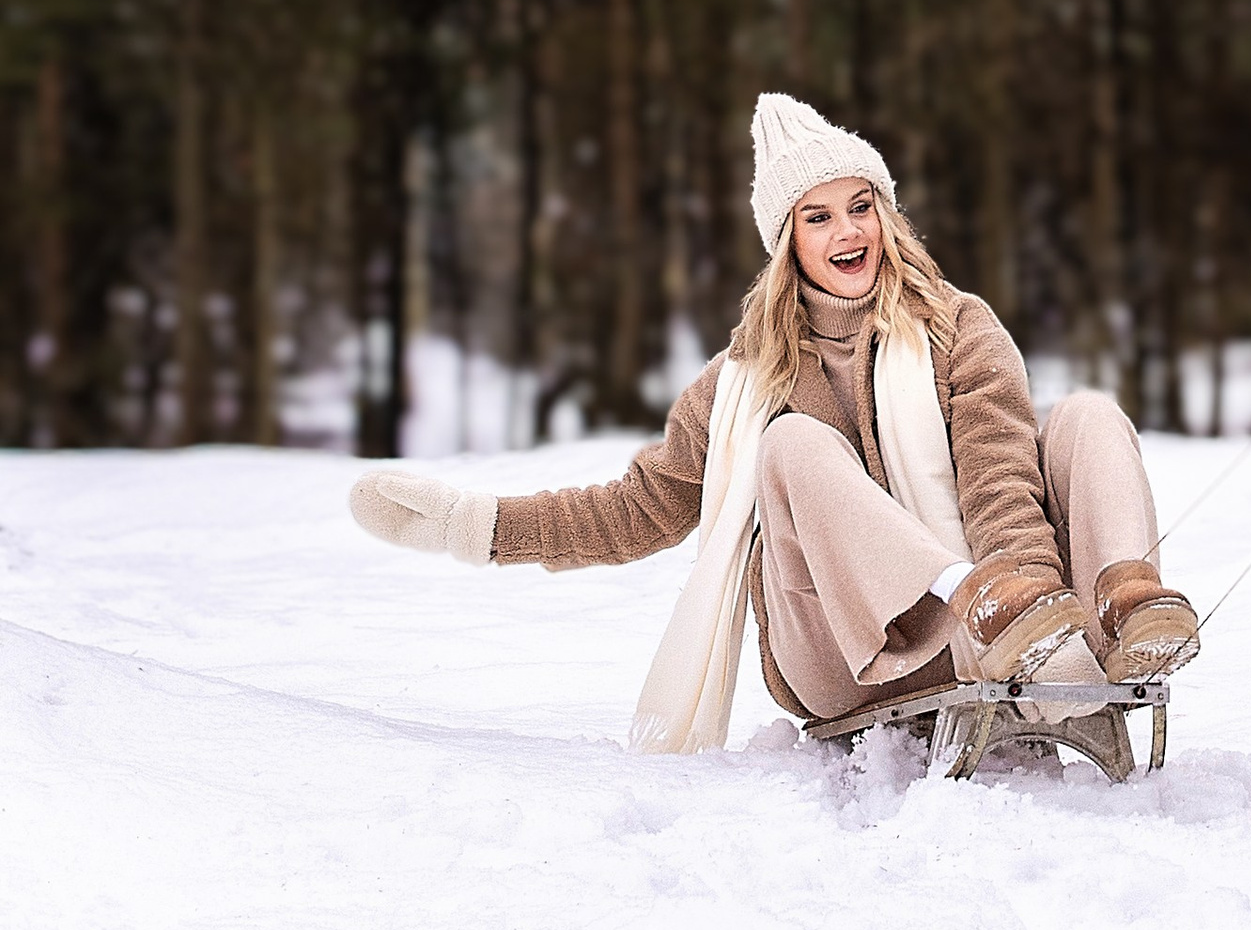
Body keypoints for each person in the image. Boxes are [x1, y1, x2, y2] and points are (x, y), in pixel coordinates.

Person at [347, 93, 1201, 777]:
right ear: (787, 241)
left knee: (1087, 413)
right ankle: (966, 592)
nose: (848, 233)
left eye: (860, 207)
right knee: (790, 446)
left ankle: (1122, 607)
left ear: (887, 216)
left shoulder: (959, 328)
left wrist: (1023, 598)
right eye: (819, 217)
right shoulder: (742, 382)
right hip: (846, 650)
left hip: (1014, 622)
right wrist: (477, 527)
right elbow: (636, 511)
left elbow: (999, 478)